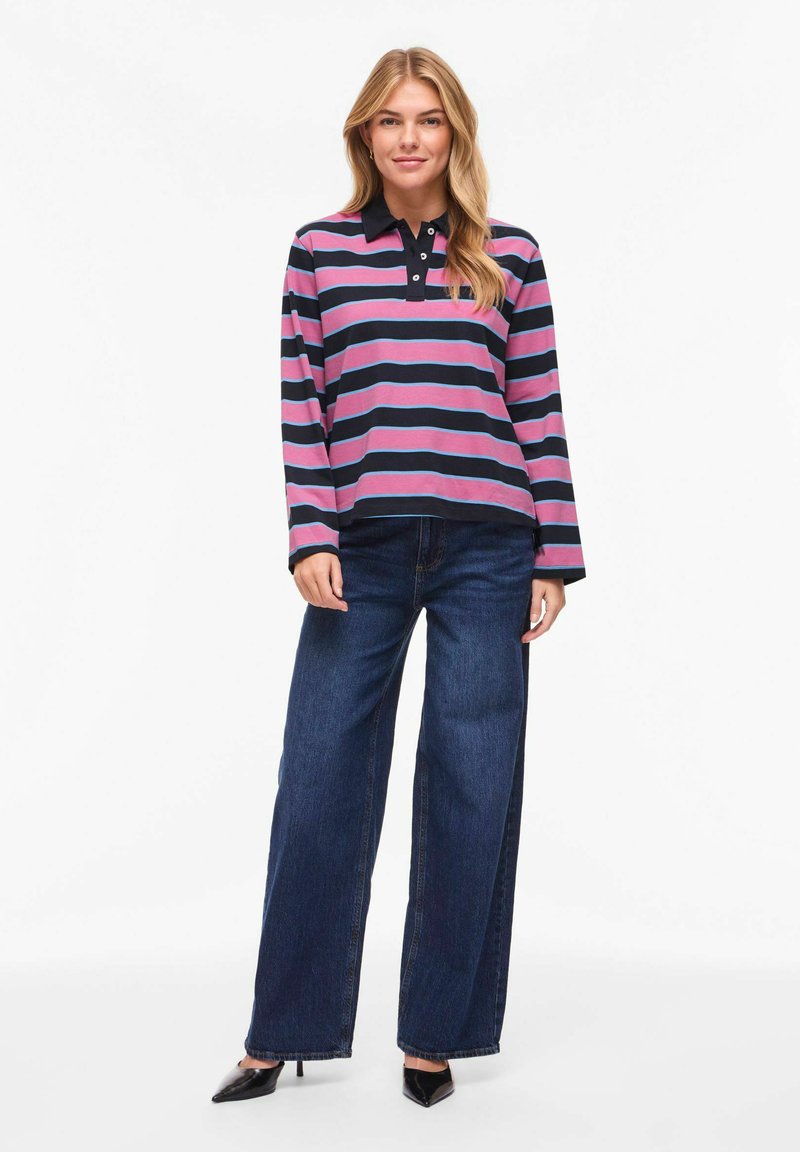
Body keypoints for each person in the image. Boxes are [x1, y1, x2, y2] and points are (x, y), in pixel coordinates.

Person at [212, 45, 586, 1110]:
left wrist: (554, 555)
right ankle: (281, 1031)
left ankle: (436, 1037)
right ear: (364, 136)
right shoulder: (320, 251)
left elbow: (536, 406)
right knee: (321, 780)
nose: (409, 137)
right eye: (389, 120)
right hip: (361, 548)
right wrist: (310, 533)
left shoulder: (511, 255)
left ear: (453, 132)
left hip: (490, 548)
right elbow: (305, 401)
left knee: (474, 787)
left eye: (427, 119)